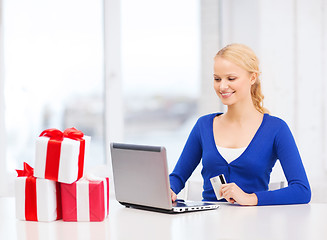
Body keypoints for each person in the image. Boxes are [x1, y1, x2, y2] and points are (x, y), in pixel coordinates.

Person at [169, 43, 311, 206]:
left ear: (252, 77)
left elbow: (302, 190)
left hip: (254, 224)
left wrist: (250, 198)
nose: (222, 86)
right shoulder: (204, 125)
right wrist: (170, 189)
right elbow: (177, 177)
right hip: (208, 223)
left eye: (231, 78)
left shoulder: (276, 129)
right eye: (217, 79)